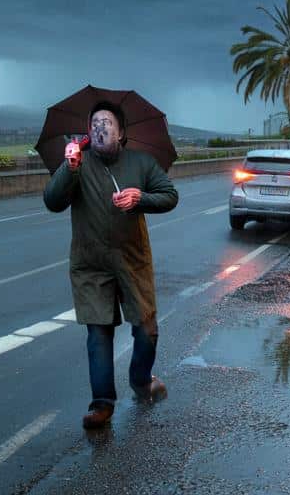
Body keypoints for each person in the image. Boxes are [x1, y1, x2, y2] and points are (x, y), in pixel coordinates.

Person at [43, 101, 179, 429]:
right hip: (91, 263)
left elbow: (169, 195)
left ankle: (141, 379)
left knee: (146, 329)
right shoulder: (77, 164)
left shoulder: (141, 163)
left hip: (132, 261)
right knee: (98, 332)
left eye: (106, 124)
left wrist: (140, 198)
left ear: (121, 133)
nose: (100, 130)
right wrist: (69, 168)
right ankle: (101, 403)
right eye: (95, 124)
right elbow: (52, 201)